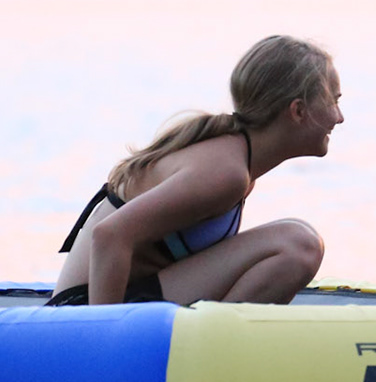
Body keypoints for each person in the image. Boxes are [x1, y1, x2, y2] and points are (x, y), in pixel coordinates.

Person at [48, 35, 342, 307]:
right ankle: (218, 344)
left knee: (298, 235)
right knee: (299, 246)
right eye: (334, 101)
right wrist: (106, 335)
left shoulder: (236, 159)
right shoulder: (225, 171)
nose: (339, 117)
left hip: (124, 299)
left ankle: (220, 339)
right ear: (298, 111)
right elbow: (109, 236)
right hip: (82, 310)